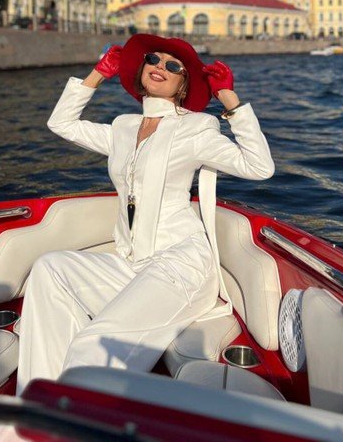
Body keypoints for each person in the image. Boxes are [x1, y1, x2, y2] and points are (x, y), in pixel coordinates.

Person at [15, 34, 274, 393]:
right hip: (133, 264)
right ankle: (35, 400)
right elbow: (61, 124)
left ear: (183, 84)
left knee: (96, 344)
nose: (160, 67)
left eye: (173, 65)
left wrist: (229, 99)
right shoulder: (123, 126)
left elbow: (259, 166)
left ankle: (69, 410)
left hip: (181, 266)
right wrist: (97, 74)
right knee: (49, 268)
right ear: (141, 68)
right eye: (153, 59)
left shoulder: (196, 128)